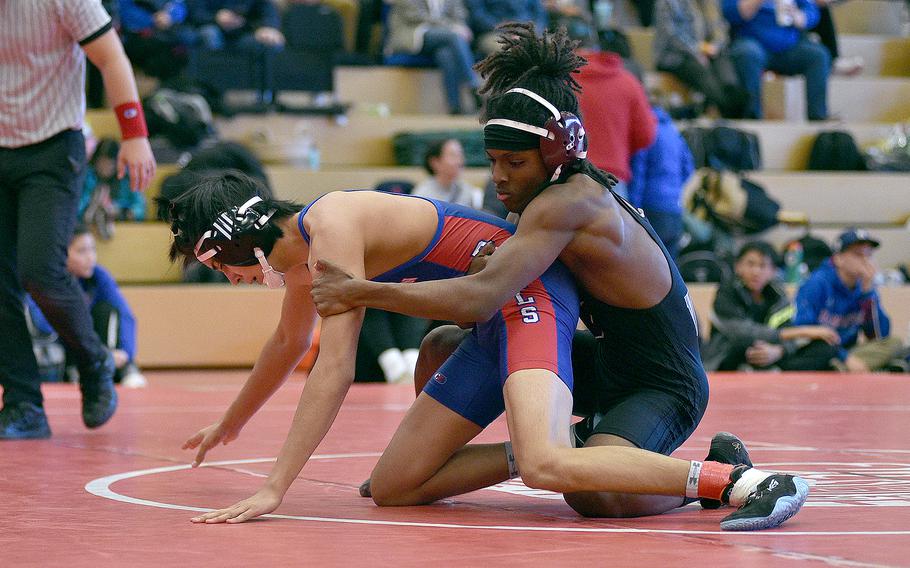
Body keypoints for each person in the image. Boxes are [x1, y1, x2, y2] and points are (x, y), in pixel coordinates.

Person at [310, 23, 809, 530]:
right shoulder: (544, 197)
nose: (499, 177)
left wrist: (359, 292)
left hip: (661, 384)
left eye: (515, 162)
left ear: (555, 157)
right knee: (442, 345)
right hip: (604, 359)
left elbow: (478, 297)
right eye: (493, 161)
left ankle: (729, 478)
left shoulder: (570, 203)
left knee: (592, 495)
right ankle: (524, 449)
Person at [161, 171, 581, 524]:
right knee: (394, 486)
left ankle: (553, 448)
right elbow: (289, 342)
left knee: (544, 465)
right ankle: (580, 439)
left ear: (235, 241)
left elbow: (335, 366)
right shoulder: (302, 264)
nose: (232, 280)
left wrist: (275, 488)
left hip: (527, 291)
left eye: (221, 267)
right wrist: (231, 423)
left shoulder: (329, 224)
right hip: (491, 322)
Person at [0, 0, 156, 439]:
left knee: (41, 271)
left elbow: (111, 56)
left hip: (51, 149)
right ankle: (24, 405)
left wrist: (134, 134)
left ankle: (93, 360)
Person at [25, 226, 147, 388]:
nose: (91, 258)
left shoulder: (98, 276)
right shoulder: (46, 277)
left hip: (90, 344)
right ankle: (76, 369)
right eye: (82, 251)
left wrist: (125, 352)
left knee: (107, 310)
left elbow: (124, 314)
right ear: (61, 254)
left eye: (93, 250)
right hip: (58, 342)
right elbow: (39, 322)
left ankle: (119, 367)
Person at [701, 241, 841, 372]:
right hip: (733, 355)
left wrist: (779, 351)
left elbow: (788, 331)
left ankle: (772, 371)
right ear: (738, 266)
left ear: (773, 271)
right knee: (745, 345)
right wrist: (802, 331)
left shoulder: (778, 296)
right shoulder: (727, 292)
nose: (756, 271)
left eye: (762, 266)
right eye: (750, 264)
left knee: (826, 348)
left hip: (771, 354)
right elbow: (742, 333)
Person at [794, 229, 906, 372]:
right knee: (823, 352)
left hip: (850, 350)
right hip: (819, 351)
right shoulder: (818, 283)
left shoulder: (865, 288)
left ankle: (845, 368)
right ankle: (851, 366)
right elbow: (802, 330)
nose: (865, 260)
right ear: (838, 259)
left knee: (895, 343)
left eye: (869, 255)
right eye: (858, 255)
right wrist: (843, 357)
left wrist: (868, 294)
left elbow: (879, 336)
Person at [575, 32, 657, 199]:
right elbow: (646, 135)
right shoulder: (628, 81)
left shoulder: (559, 81)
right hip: (612, 179)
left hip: (567, 178)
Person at [722, 0, 830, 120]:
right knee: (747, 53)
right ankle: (751, 117)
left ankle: (818, 117)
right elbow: (728, 12)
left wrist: (798, 16)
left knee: (818, 55)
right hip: (751, 42)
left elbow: (812, 12)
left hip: (789, 46)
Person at [653, 0, 750, 118]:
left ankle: (733, 96)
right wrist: (696, 51)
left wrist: (715, 46)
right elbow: (672, 35)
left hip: (706, 51)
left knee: (723, 64)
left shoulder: (710, 3)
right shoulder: (668, 2)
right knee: (701, 71)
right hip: (675, 56)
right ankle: (727, 105)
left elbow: (720, 29)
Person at [384, 0, 482, 115]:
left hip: (441, 38)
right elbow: (417, 17)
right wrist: (452, 27)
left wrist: (460, 26)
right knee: (454, 37)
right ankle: (473, 85)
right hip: (413, 33)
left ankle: (455, 107)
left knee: (445, 54)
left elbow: (460, 15)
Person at [628, 104, 694, 260]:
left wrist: (632, 206)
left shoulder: (647, 132)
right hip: (674, 209)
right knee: (670, 267)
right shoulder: (673, 132)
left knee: (647, 264)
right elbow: (688, 168)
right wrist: (673, 189)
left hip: (651, 207)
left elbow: (638, 172)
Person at [412, 138, 485, 209]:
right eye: (453, 156)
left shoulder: (467, 190)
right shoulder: (422, 195)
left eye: (460, 155)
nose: (459, 161)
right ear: (435, 162)